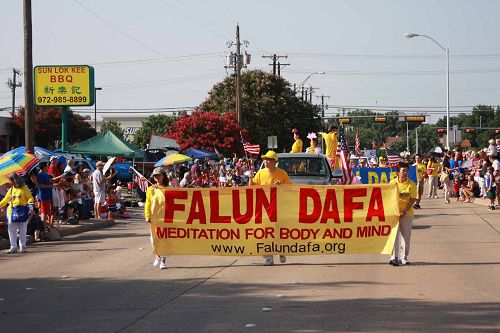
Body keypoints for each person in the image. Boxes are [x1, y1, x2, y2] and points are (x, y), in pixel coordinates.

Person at [250, 150, 292, 266]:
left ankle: (281, 250)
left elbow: (290, 188)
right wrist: (249, 177)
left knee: (278, 231)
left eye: (268, 159)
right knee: (265, 232)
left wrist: (281, 185)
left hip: (279, 208)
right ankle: (269, 257)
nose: (266, 161)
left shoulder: (282, 173)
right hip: (264, 208)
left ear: (274, 161)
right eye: (265, 159)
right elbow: (251, 187)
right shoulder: (260, 173)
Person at [389, 162, 417, 266]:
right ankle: (393, 257)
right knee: (394, 236)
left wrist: (404, 211)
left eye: (406, 171)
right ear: (397, 172)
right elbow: (388, 198)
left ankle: (404, 257)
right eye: (403, 171)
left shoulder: (411, 184)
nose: (405, 173)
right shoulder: (392, 183)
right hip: (394, 214)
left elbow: (413, 199)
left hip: (407, 214)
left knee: (405, 236)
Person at [0, 173, 35, 254]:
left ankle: (23, 246)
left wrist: (30, 205)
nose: (9, 183)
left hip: (23, 210)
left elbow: (30, 197)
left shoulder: (24, 188)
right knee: (11, 230)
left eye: (10, 181)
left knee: (22, 229)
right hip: (11, 212)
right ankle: (13, 247)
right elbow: (5, 200)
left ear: (14, 180)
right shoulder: (11, 190)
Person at [145, 167, 169, 270]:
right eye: (155, 176)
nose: (157, 177)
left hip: (166, 217)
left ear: (163, 176)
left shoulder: (169, 188)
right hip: (154, 217)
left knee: (164, 239)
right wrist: (147, 216)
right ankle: (157, 255)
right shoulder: (151, 189)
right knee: (154, 239)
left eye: (158, 175)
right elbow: (148, 203)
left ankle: (163, 261)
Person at [37, 162, 54, 229]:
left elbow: (49, 181)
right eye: (47, 166)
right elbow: (40, 185)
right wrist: (49, 186)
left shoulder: (46, 174)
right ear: (44, 167)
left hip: (49, 195)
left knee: (48, 211)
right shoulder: (40, 175)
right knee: (44, 212)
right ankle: (43, 228)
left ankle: (47, 226)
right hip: (44, 196)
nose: (48, 167)